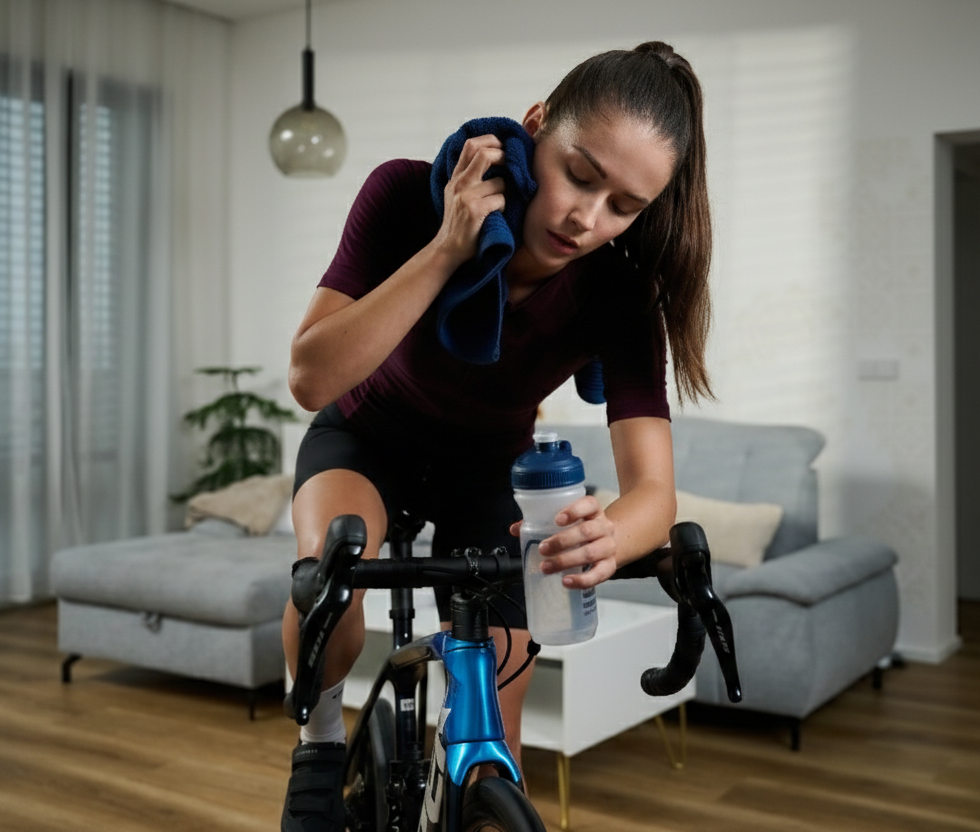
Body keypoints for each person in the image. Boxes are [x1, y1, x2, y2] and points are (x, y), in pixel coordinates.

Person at [280, 40, 714, 832]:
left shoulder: (619, 293)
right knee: (329, 567)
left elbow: (654, 490)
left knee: (493, 751)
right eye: (579, 174)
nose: (587, 218)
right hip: (366, 436)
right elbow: (311, 377)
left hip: (489, 473)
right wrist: (448, 246)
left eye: (624, 206)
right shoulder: (406, 194)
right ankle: (319, 744)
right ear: (536, 125)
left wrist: (609, 536)